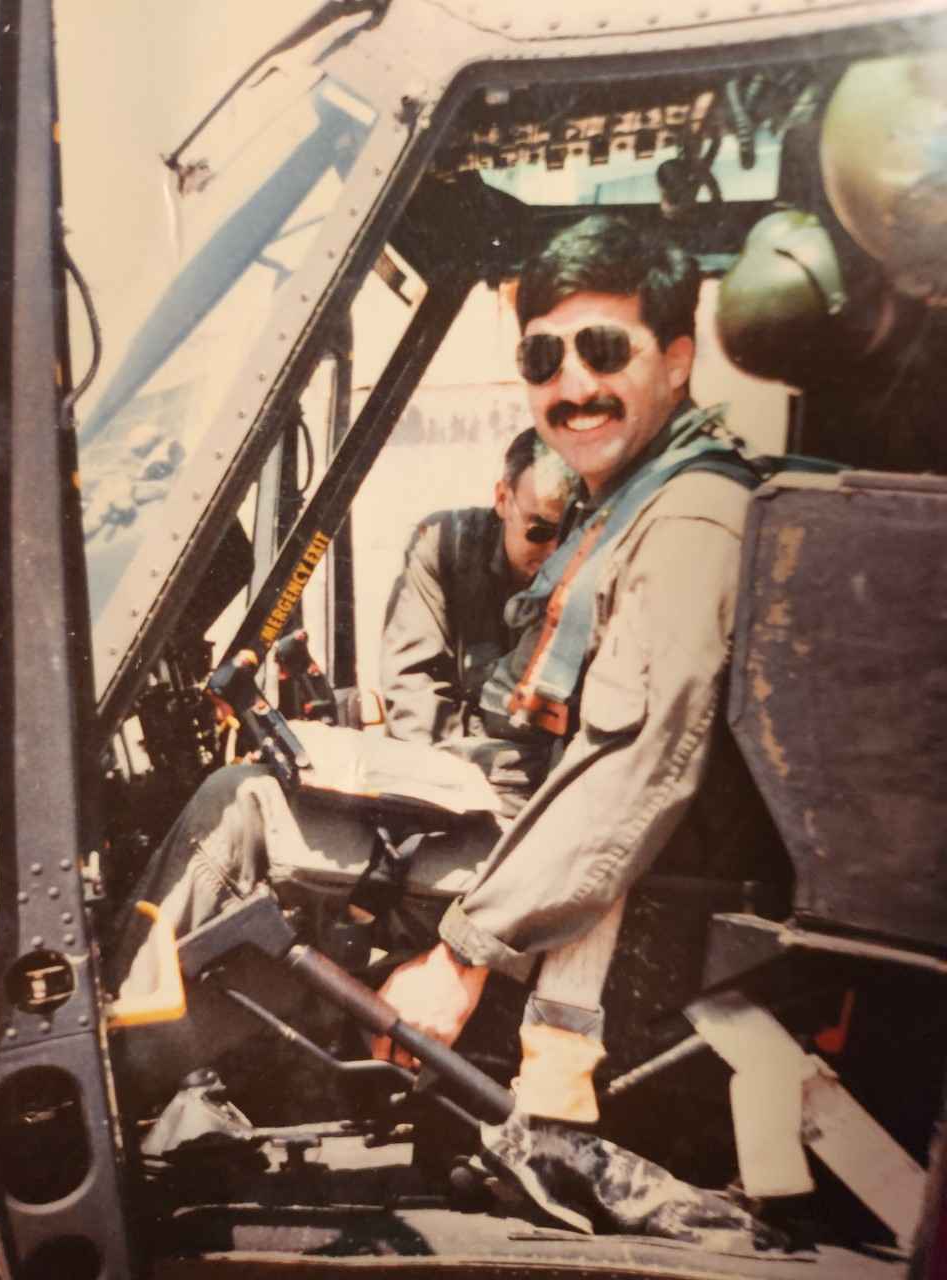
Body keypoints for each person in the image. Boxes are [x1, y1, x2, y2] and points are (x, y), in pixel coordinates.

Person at [370, 214, 785, 1068]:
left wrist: (463, 954)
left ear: (675, 360)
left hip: (614, 894)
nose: (573, 385)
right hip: (562, 849)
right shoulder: (626, 497)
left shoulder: (691, 519)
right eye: (542, 359)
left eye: (603, 350)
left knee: (248, 818)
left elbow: (634, 769)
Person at [380, 427, 574, 814]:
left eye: (569, 533)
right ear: (503, 499)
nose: (555, 553)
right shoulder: (443, 547)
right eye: (540, 531)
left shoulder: (590, 566)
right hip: (452, 782)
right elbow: (413, 695)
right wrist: (427, 805)